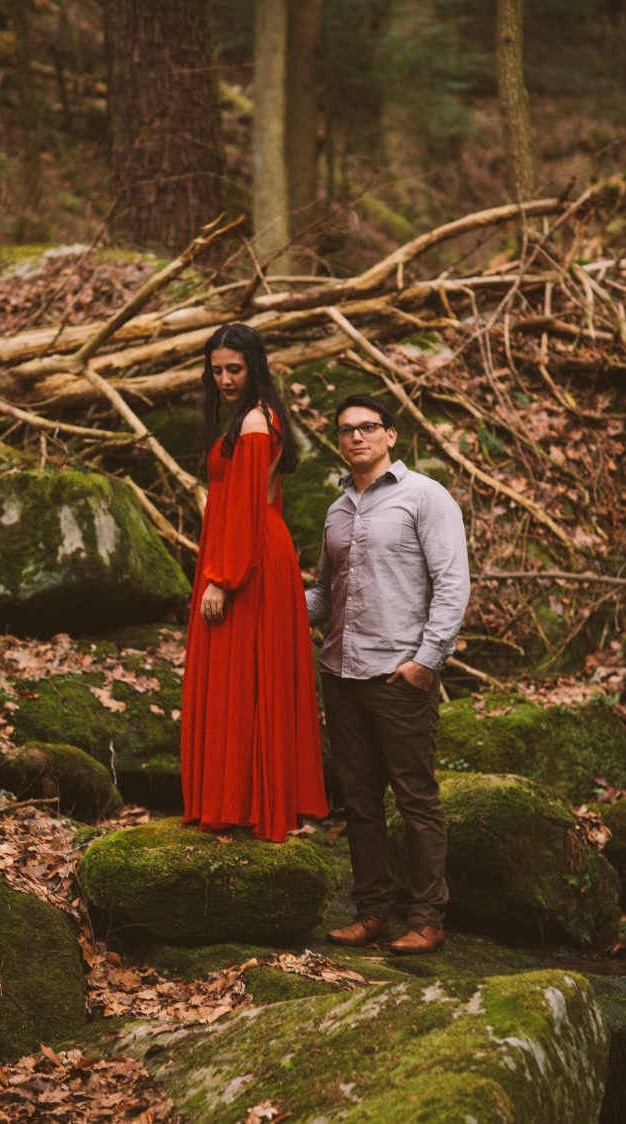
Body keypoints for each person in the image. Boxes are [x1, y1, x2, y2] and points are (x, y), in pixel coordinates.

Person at [306, 393, 470, 953]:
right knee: (358, 798)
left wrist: (426, 662)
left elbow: (452, 584)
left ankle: (427, 919)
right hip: (341, 672)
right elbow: (325, 597)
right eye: (346, 429)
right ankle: (373, 911)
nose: (356, 437)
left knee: (416, 797)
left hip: (397, 675)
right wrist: (264, 599)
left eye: (368, 427)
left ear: (391, 435)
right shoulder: (336, 509)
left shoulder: (426, 497)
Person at [181, 322, 329, 843]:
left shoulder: (254, 424)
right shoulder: (249, 418)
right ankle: (239, 799)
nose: (224, 378)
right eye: (217, 369)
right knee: (239, 675)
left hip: (250, 558)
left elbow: (250, 508)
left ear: (254, 368)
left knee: (245, 674)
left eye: (234, 369)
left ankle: (248, 803)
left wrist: (222, 579)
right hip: (247, 551)